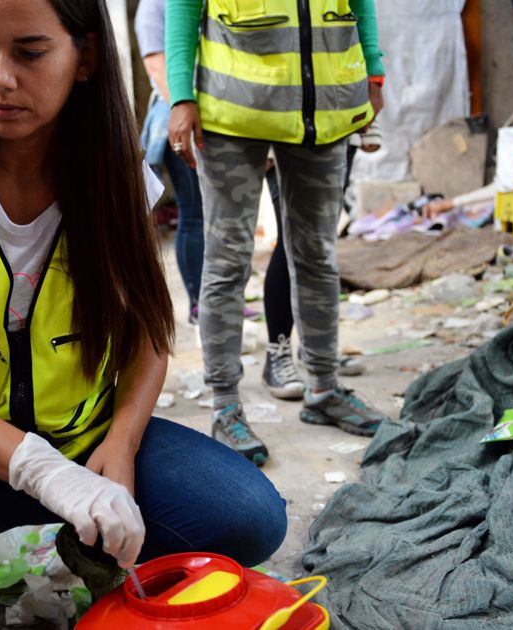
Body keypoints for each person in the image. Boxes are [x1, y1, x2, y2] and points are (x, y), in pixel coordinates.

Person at [0, 1, 288, 627]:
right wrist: (43, 472)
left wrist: (121, 447)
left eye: (30, 51)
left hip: (88, 437)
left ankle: (93, 548)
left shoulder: (118, 178)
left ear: (86, 57)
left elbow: (149, 334)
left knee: (249, 516)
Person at [166, 0, 392, 463]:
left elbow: (360, 3)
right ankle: (226, 405)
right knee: (228, 262)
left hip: (325, 112)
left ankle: (324, 388)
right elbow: (183, 7)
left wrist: (373, 72)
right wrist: (179, 95)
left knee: (316, 255)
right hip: (232, 114)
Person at [135, 0, 256, 325]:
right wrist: (186, 108)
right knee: (195, 212)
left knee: (221, 215)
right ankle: (199, 302)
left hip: (217, 118)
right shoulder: (153, 8)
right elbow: (158, 68)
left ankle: (223, 299)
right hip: (181, 120)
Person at [261, 122, 382, 400]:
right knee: (291, 241)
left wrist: (369, 125)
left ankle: (314, 349)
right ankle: (277, 352)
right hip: (282, 128)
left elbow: (357, 76)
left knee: (319, 245)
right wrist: (264, 141)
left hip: (337, 127)